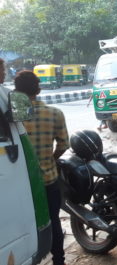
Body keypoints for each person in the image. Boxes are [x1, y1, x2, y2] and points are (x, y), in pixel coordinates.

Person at [14, 71, 69, 265]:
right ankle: (59, 260)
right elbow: (64, 144)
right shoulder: (54, 113)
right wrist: (51, 159)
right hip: (48, 180)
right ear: (38, 89)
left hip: (22, 185)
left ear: (16, 91)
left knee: (23, 226)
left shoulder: (12, 118)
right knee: (53, 221)